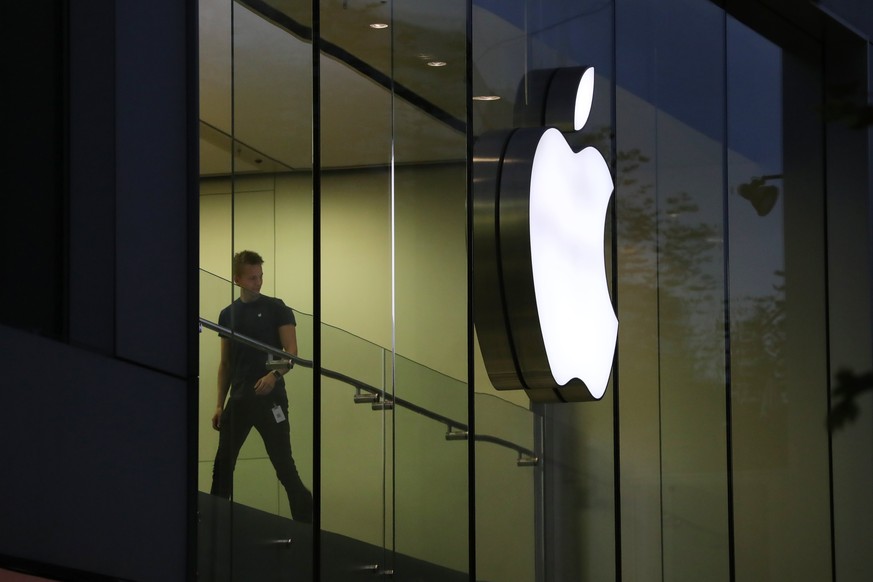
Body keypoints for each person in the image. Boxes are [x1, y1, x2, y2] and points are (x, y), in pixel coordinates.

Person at [210, 250, 313, 523]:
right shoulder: (227, 314)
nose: (258, 282)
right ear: (238, 279)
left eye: (261, 276)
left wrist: (274, 376)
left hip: (271, 399)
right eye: (253, 278)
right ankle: (213, 524)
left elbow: (291, 351)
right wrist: (220, 403)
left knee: (283, 465)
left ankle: (306, 524)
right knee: (223, 463)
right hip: (241, 397)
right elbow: (226, 364)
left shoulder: (277, 307)